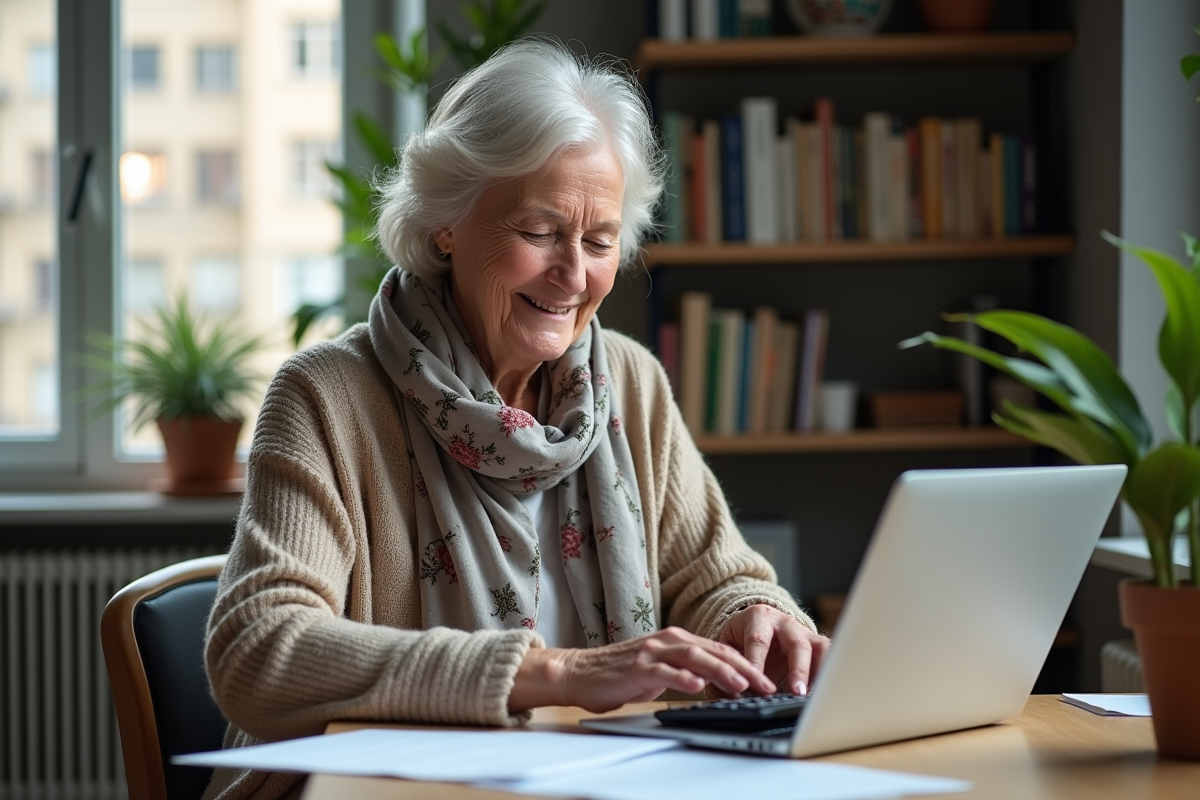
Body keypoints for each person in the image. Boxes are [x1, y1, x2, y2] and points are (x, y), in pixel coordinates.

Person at [202, 38, 829, 800]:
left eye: (599, 241)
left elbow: (715, 575)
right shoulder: (327, 396)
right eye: (539, 233)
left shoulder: (627, 380)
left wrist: (755, 616)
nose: (574, 274)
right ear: (447, 223)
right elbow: (258, 650)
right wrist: (552, 673)